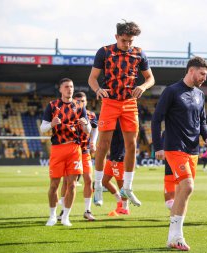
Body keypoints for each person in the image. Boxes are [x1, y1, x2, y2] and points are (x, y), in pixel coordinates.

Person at [88, 20, 155, 207]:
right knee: (103, 144)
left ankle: (128, 187)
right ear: (116, 37)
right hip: (109, 102)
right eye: (124, 40)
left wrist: (142, 86)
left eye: (131, 41)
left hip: (129, 103)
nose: (128, 44)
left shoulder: (139, 53)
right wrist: (98, 90)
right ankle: (99, 186)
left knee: (132, 145)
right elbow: (92, 78)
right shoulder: (104, 51)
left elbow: (150, 78)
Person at [152, 56, 207, 251]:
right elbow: (156, 119)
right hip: (174, 146)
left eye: (206, 74)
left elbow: (202, 120)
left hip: (193, 149)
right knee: (187, 186)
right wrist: (158, 146)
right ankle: (177, 236)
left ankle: (173, 237)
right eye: (202, 74)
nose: (204, 78)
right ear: (191, 71)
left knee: (182, 191)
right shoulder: (171, 91)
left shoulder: (200, 95)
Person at [40, 78, 91, 226]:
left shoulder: (80, 106)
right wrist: (51, 124)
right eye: (67, 87)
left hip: (74, 149)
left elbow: (87, 131)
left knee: (72, 185)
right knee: (54, 185)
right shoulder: (52, 106)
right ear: (60, 89)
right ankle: (52, 216)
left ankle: (66, 217)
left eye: (72, 87)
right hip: (57, 148)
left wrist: (85, 124)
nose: (70, 89)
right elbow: (43, 128)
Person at [57, 92, 98, 221]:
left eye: (83, 100)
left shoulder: (91, 115)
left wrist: (93, 141)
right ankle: (63, 211)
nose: (81, 102)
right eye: (78, 100)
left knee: (89, 179)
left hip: (85, 151)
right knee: (68, 182)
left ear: (86, 101)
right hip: (72, 151)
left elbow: (95, 128)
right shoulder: (68, 113)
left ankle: (87, 210)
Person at [103, 120, 130, 216]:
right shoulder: (112, 121)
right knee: (104, 181)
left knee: (121, 185)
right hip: (112, 158)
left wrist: (118, 157)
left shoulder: (120, 122)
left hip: (119, 159)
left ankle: (125, 208)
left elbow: (123, 142)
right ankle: (119, 201)